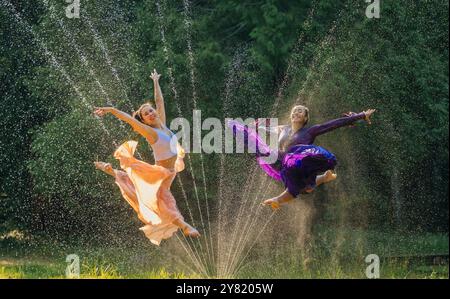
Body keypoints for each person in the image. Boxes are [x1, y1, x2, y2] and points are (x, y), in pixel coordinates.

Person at [94, 69, 200, 245]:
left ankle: (112, 171)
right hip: (160, 173)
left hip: (170, 173)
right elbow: (130, 120)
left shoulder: (163, 126)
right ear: (144, 121)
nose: (151, 113)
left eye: (151, 111)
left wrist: (156, 82)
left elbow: (159, 101)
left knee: (149, 194)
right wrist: (112, 110)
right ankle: (185, 226)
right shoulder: (151, 132)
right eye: (147, 114)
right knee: (162, 200)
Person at [228, 105, 376, 210]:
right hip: (282, 163)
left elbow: (332, 125)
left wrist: (360, 116)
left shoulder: (310, 131)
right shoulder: (283, 129)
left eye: (300, 112)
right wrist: (253, 127)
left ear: (305, 117)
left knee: (305, 188)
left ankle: (321, 178)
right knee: (262, 150)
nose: (296, 113)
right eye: (294, 111)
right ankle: (323, 178)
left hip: (300, 164)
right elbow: (265, 129)